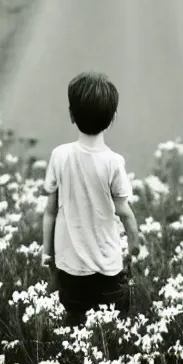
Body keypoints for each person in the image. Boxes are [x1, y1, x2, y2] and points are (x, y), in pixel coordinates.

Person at [41, 71, 141, 327]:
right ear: (112, 118)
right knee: (113, 327)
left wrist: (46, 251)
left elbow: (50, 211)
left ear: (71, 115)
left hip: (70, 268)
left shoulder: (59, 155)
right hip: (108, 266)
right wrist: (134, 244)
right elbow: (125, 212)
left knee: (74, 323)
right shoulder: (113, 162)